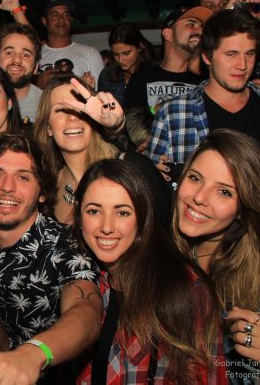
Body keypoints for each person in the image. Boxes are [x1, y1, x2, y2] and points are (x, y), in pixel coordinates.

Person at [0, 133, 103, 384]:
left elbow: (86, 311)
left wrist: (34, 354)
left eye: (23, 177)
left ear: (42, 193)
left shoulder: (66, 244)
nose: (7, 187)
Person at [74, 159, 225, 383]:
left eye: (123, 213)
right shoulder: (82, 279)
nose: (106, 227)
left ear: (143, 217)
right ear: (79, 216)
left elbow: (210, 377)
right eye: (94, 211)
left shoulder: (186, 288)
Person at [172, 129, 260, 383]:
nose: (199, 197)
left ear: (244, 208)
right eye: (195, 178)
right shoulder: (157, 254)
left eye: (224, 192)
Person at [146, 9, 260, 167]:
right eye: (231, 54)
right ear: (206, 57)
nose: (242, 65)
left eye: (249, 54)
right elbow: (153, 186)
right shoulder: (173, 113)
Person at [34, 75, 168, 225]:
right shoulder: (46, 184)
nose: (72, 118)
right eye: (60, 110)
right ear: (48, 128)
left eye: (80, 107)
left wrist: (116, 125)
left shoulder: (131, 169)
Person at [124, 5, 212, 112]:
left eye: (202, 26)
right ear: (168, 34)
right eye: (191, 24)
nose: (201, 31)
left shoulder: (207, 80)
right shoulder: (141, 79)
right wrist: (157, 109)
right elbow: (133, 124)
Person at [38, 0, 104, 89]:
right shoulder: (36, 55)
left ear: (71, 20)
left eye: (66, 14)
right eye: (55, 15)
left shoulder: (90, 53)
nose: (61, 19)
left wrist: (87, 88)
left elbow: (101, 93)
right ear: (44, 21)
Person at [0, 22, 44, 123]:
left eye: (25, 55)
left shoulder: (48, 105)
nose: (16, 60)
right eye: (9, 53)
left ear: (36, 67)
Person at [97, 22, 156, 105]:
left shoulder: (153, 73)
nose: (121, 60)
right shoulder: (107, 75)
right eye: (116, 54)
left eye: (127, 53)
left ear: (139, 47)